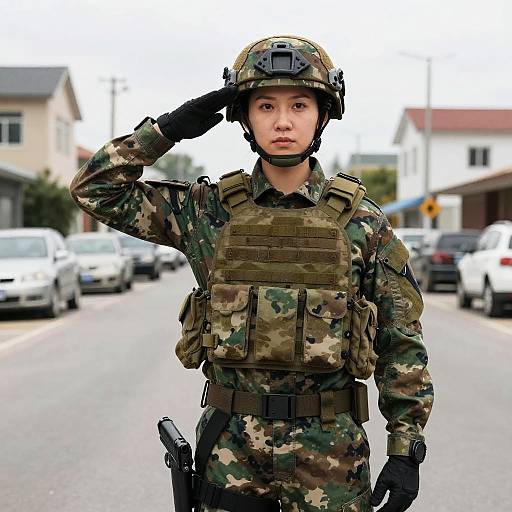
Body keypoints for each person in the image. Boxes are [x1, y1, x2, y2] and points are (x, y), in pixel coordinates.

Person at [70, 35, 433, 512]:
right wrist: (164, 132)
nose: (283, 122)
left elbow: (400, 342)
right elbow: (94, 190)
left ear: (323, 115)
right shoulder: (207, 212)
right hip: (230, 450)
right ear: (243, 116)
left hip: (331, 452)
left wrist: (406, 449)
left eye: (299, 104)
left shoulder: (363, 222)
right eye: (265, 106)